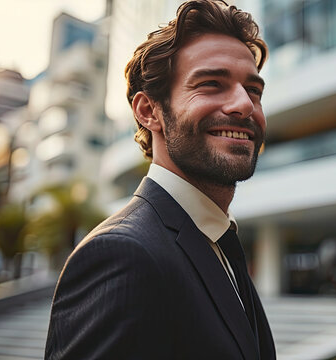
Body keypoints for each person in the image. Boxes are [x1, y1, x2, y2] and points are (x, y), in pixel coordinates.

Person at [45, 1, 275, 359]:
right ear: (149, 111)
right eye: (212, 83)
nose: (244, 105)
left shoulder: (218, 242)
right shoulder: (122, 255)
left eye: (254, 90)